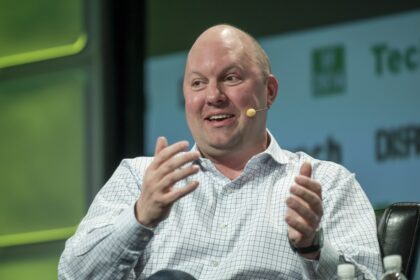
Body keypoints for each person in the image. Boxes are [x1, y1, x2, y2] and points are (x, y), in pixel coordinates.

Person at [58, 24, 383, 279]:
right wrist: (140, 217)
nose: (213, 96)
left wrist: (314, 248)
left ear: (268, 92)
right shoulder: (141, 178)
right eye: (198, 83)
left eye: (230, 78)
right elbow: (74, 275)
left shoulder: (325, 183)